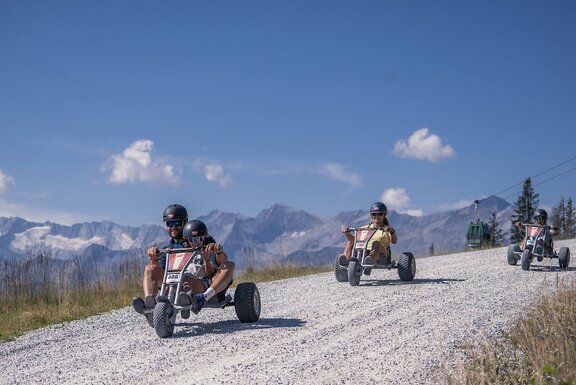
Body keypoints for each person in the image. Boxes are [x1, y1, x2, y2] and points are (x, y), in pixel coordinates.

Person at [132, 204, 190, 320]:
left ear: (185, 223)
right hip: (172, 286)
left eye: (177, 223)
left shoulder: (197, 241)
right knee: (150, 268)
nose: (173, 227)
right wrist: (154, 259)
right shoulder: (166, 249)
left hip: (190, 287)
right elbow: (159, 273)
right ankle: (150, 304)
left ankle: (181, 302)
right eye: (169, 224)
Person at [177, 219, 235, 314]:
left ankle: (201, 298)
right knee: (186, 278)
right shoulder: (182, 252)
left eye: (199, 239)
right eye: (192, 240)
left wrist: (207, 259)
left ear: (204, 238)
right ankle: (184, 300)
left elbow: (210, 275)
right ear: (187, 239)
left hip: (202, 284)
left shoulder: (207, 250)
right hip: (183, 283)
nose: (196, 243)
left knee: (230, 265)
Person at [338, 201, 398, 266]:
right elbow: (354, 241)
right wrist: (347, 233)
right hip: (364, 254)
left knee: (376, 243)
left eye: (380, 214)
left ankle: (370, 260)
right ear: (371, 215)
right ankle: (346, 261)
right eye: (374, 214)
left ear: (384, 215)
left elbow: (394, 241)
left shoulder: (387, 229)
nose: (377, 216)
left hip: (381, 257)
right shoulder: (365, 228)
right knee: (350, 242)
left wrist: (392, 232)